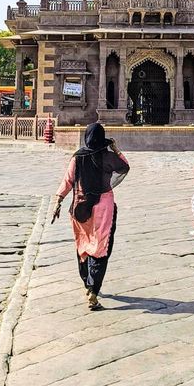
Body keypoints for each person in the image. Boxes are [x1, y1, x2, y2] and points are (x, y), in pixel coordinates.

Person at [53, 122, 129, 311]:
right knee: (101, 247)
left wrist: (58, 200)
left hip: (80, 208)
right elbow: (125, 167)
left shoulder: (78, 157)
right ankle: (93, 291)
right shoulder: (108, 156)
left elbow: (68, 180)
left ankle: (87, 283)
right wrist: (115, 149)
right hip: (103, 209)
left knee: (83, 244)